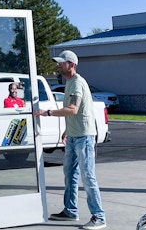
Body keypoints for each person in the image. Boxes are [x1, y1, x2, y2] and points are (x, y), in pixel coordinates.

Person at [35, 50, 106, 229]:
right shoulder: (69, 83)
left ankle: (99, 217)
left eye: (61, 63)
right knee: (70, 174)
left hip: (84, 137)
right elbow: (77, 112)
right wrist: (68, 129)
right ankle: (70, 211)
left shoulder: (76, 83)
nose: (58, 65)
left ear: (71, 65)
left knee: (88, 176)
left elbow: (73, 109)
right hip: (74, 136)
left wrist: (47, 113)